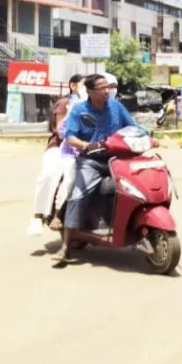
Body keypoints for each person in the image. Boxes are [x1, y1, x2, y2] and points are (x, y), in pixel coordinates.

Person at [54, 73, 136, 262]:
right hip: (90, 161)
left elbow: (132, 126)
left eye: (109, 87)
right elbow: (70, 136)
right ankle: (66, 245)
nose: (107, 91)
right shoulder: (79, 110)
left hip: (117, 158)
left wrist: (147, 135)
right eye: (102, 88)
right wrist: (84, 145)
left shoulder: (116, 106)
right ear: (90, 91)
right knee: (78, 194)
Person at [26, 74, 83, 235]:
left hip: (82, 148)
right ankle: (37, 216)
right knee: (49, 174)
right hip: (59, 147)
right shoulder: (65, 103)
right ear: (73, 86)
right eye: (84, 85)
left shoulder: (92, 105)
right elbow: (61, 130)